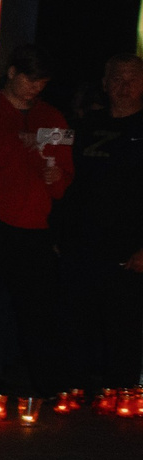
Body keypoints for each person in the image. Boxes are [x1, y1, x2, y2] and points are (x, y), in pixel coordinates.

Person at [0, 44, 75, 394]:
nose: (36, 88)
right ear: (12, 72)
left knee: (39, 310)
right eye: (31, 79)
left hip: (34, 226)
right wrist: (19, 145)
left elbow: (64, 173)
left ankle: (47, 385)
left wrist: (56, 177)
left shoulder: (52, 117)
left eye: (42, 82)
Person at [64, 55, 143, 388]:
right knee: (79, 323)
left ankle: (120, 397)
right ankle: (78, 393)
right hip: (84, 243)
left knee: (124, 328)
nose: (123, 88)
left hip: (129, 249)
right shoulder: (86, 126)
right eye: (116, 80)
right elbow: (70, 182)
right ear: (104, 83)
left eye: (131, 80)